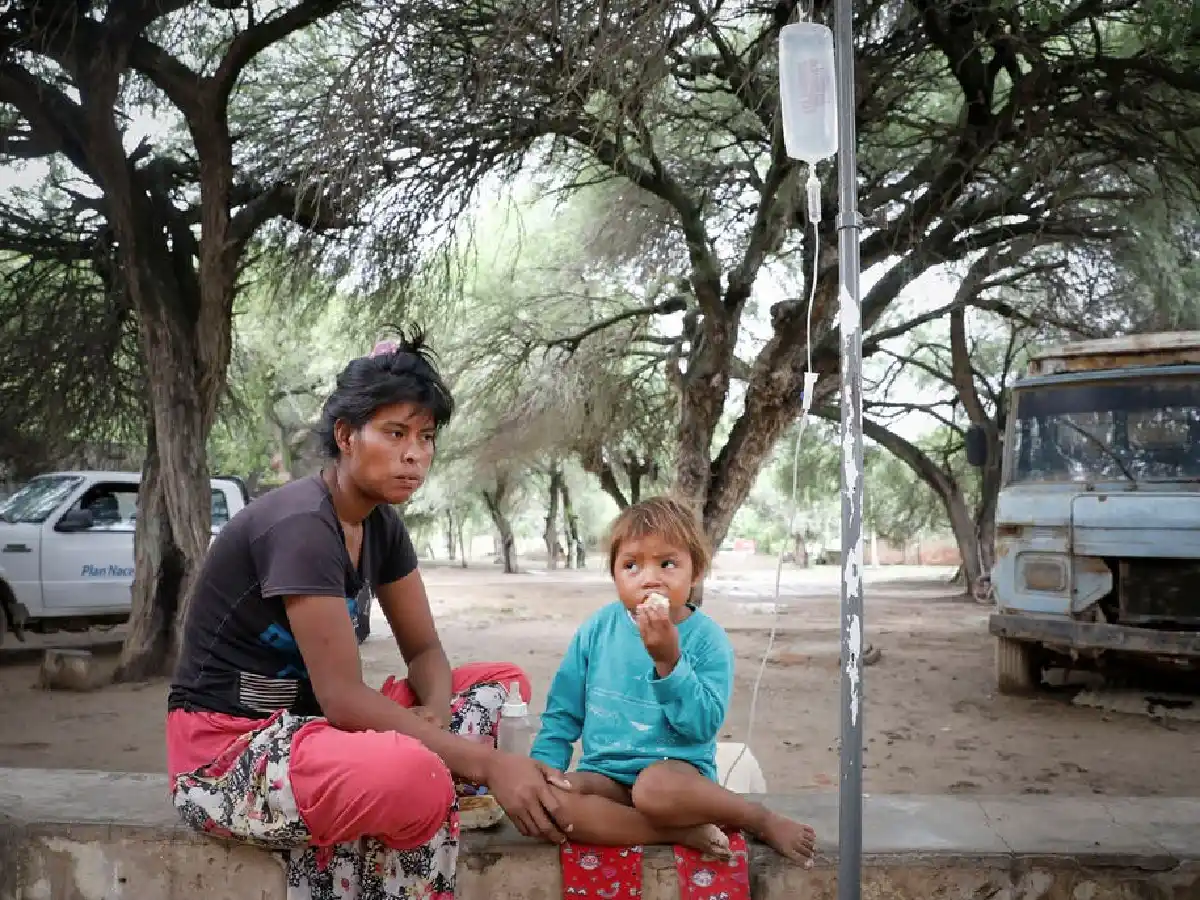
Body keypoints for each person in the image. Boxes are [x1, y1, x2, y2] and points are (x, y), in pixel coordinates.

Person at [166, 332, 570, 900]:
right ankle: (424, 781)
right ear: (346, 436)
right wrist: (481, 763)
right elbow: (345, 698)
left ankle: (418, 770)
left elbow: (425, 651)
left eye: (426, 437)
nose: (416, 454)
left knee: (501, 688)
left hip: (320, 735)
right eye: (396, 433)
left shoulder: (380, 524)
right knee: (416, 776)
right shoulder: (301, 526)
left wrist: (433, 717)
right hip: (230, 754)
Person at [530, 496, 817, 864]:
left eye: (667, 564)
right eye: (631, 566)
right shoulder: (597, 630)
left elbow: (701, 727)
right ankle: (675, 834)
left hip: (675, 778)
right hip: (606, 775)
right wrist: (545, 769)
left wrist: (669, 661)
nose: (650, 578)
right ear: (614, 576)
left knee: (652, 790)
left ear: (695, 573)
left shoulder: (708, 640)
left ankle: (756, 818)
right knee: (559, 800)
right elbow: (562, 714)